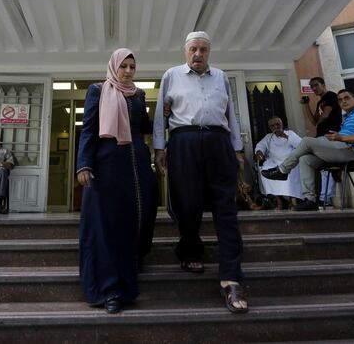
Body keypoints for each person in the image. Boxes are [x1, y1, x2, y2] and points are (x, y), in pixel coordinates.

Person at [153, 31, 248, 314]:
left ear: (209, 52)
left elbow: (231, 113)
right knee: (189, 203)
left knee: (226, 209)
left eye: (203, 50)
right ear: (185, 51)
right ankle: (190, 250)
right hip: (184, 141)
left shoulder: (220, 76)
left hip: (219, 141)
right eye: (193, 49)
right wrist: (159, 148)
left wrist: (237, 147)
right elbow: (160, 114)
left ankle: (231, 278)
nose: (198, 54)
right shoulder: (171, 75)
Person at [76, 48, 157, 314]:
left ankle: (133, 263)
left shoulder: (139, 94)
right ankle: (110, 290)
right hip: (106, 165)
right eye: (124, 66)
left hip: (137, 166)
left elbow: (144, 127)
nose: (128, 71)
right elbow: (88, 129)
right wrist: (84, 164)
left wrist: (167, 110)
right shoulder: (98, 91)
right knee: (107, 226)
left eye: (133, 67)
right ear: (114, 66)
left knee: (139, 217)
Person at [262, 89, 354, 211]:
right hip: (341, 148)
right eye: (340, 100)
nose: (343, 101)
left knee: (307, 141)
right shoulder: (346, 118)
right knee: (306, 159)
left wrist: (341, 137)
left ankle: (282, 170)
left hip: (353, 152)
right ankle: (311, 200)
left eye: (347, 98)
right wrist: (335, 138)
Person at [301, 76, 342, 206]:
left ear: (323, 84)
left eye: (316, 85)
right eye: (312, 86)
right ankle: (323, 198)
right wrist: (305, 105)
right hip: (321, 137)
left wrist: (319, 123)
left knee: (324, 165)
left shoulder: (330, 96)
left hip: (330, 136)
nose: (314, 88)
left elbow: (325, 115)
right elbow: (314, 121)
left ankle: (325, 198)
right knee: (322, 166)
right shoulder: (320, 103)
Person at [254, 116, 302, 210]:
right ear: (270, 128)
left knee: (292, 170)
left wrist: (285, 136)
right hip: (274, 163)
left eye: (277, 124)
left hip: (290, 162)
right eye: (272, 126)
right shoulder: (269, 137)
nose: (275, 127)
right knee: (264, 169)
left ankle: (293, 201)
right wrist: (259, 152)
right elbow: (260, 146)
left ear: (282, 124)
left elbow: (301, 145)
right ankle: (279, 201)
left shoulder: (290, 133)